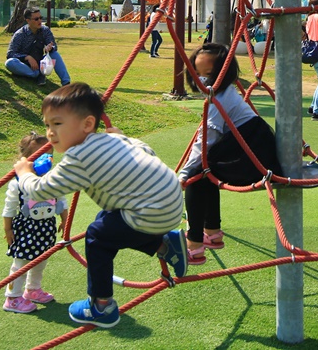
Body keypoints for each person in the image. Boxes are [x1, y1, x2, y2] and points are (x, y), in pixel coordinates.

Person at [13, 83, 188, 329]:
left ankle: (101, 305)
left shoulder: (78, 157)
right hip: (171, 201)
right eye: (47, 125)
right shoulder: (111, 140)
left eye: (58, 124)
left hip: (151, 213)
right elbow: (145, 149)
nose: (50, 133)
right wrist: (121, 136)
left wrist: (24, 173)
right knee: (105, 221)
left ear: (86, 124)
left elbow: (42, 191)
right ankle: (164, 243)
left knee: (97, 236)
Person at [180, 42, 282, 265]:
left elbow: (207, 138)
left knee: (197, 177)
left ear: (224, 74)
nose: (202, 80)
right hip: (249, 145)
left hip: (251, 151)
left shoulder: (220, 98)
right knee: (207, 174)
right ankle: (212, 232)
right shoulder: (219, 94)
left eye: (208, 74)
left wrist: (184, 175)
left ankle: (194, 245)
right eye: (197, 74)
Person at [2, 132, 68, 314]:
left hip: (46, 227)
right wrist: (8, 228)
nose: (43, 160)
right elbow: (9, 207)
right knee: (21, 263)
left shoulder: (51, 178)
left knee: (41, 260)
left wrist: (65, 219)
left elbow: (61, 199)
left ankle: (32, 289)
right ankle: (13, 298)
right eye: (37, 156)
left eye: (47, 154)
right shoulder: (18, 182)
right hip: (26, 228)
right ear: (25, 159)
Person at [6, 7, 71, 87]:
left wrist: (49, 48)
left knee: (54, 54)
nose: (40, 21)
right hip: (24, 64)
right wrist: (27, 57)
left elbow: (53, 45)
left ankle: (66, 83)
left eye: (41, 18)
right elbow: (10, 54)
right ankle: (36, 74)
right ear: (28, 20)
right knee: (9, 63)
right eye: (36, 19)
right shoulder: (20, 34)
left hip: (41, 63)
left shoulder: (45, 30)